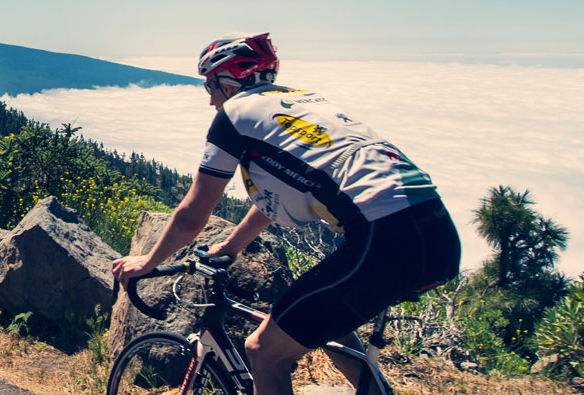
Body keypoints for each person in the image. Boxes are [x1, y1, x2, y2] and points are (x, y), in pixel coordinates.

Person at [112, 33, 459, 395]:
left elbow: (191, 216)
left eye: (209, 88)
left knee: (263, 351)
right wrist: (231, 248)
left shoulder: (234, 115)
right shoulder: (302, 101)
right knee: (326, 320)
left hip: (386, 237)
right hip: (436, 231)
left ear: (227, 83)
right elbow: (275, 200)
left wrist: (147, 263)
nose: (211, 100)